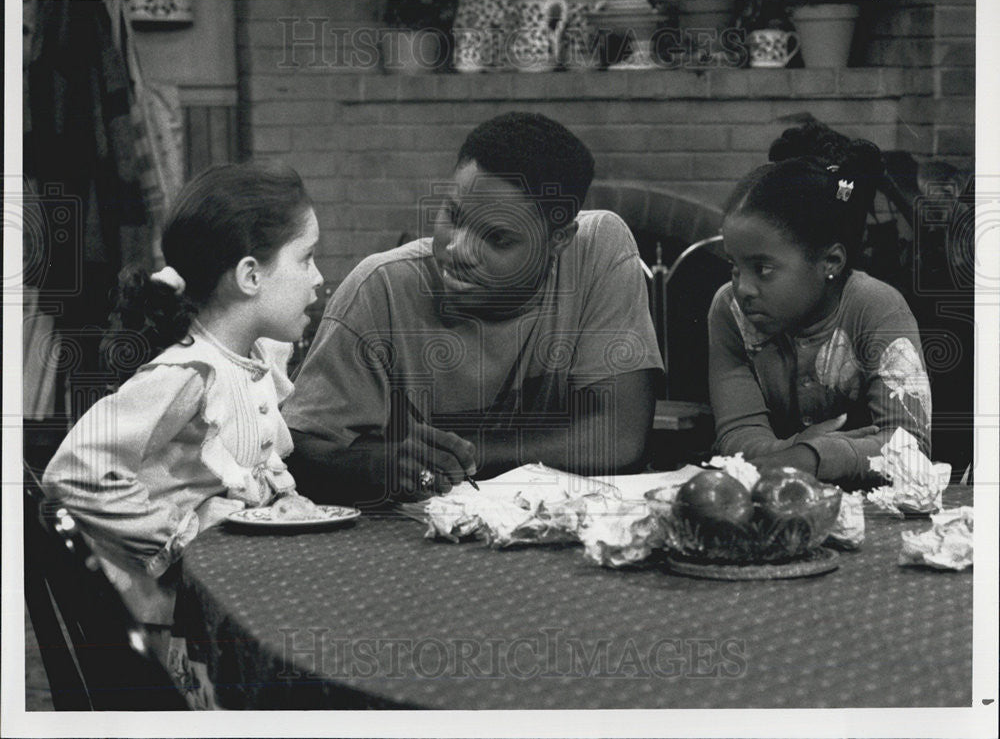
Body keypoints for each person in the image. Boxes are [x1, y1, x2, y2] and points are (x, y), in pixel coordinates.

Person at [284, 112, 661, 505]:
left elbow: (619, 437)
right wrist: (379, 465)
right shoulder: (380, 288)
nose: (458, 250)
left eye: (497, 238)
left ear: (558, 241)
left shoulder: (599, 249)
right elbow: (296, 452)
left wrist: (464, 455)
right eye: (454, 216)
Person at [41, 162, 324, 624]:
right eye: (306, 258)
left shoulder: (253, 357)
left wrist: (279, 500)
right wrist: (182, 534)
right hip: (171, 616)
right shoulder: (187, 373)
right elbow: (75, 473)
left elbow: (246, 459)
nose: (317, 278)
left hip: (226, 587)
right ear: (250, 275)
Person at [708, 122, 932, 485]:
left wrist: (812, 456)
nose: (742, 288)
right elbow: (737, 438)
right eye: (734, 265)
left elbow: (910, 446)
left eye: (762, 268)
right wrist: (802, 450)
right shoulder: (729, 310)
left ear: (831, 263)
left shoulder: (876, 308)